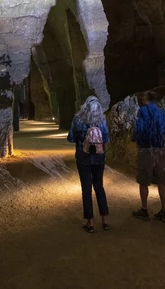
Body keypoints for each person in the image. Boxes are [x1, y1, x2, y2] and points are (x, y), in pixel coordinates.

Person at [67, 96, 110, 233]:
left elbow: (70, 138)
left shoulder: (78, 119)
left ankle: (90, 222)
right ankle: (105, 221)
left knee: (86, 189)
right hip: (99, 159)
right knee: (99, 187)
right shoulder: (102, 120)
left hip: (83, 158)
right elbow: (107, 138)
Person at [132, 91, 165, 222]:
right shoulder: (162, 112)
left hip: (146, 148)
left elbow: (139, 129)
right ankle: (164, 211)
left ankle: (144, 209)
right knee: (161, 181)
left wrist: (134, 138)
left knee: (143, 181)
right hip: (159, 149)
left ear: (146, 99)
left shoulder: (142, 111)